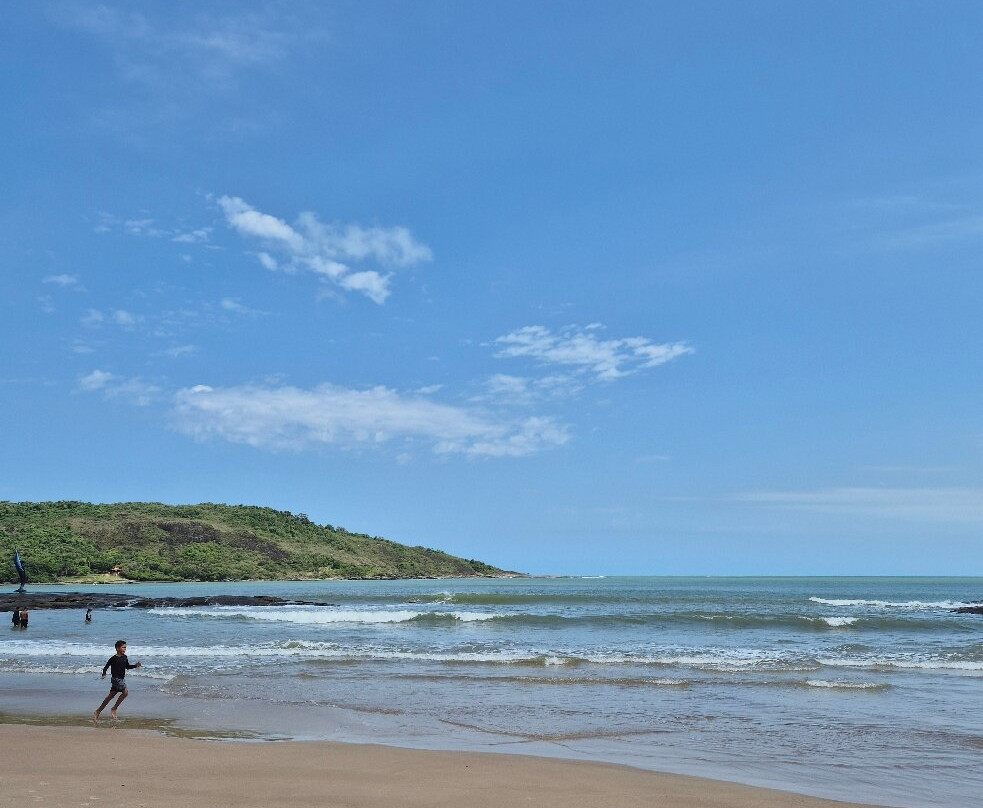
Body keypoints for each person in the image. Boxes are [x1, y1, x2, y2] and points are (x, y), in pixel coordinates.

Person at [93, 640, 142, 723]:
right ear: (117, 648)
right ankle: (114, 708)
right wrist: (104, 674)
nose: (125, 649)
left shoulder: (125, 657)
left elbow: (127, 666)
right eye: (123, 647)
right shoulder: (113, 658)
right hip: (116, 679)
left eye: (125, 647)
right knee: (125, 692)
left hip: (121, 679)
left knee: (110, 697)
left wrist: (135, 666)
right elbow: (106, 667)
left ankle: (98, 711)